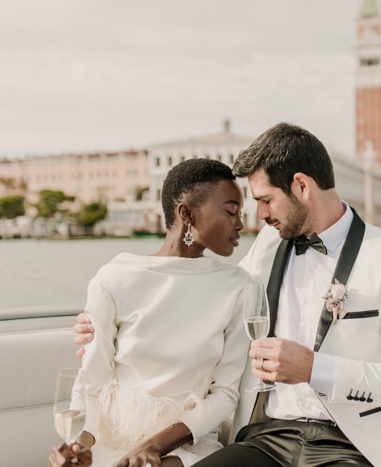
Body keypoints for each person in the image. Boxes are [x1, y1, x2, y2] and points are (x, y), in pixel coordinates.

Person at [75, 123, 381, 467]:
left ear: (301, 186)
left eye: (265, 200)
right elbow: (209, 293)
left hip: (352, 444)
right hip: (266, 437)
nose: (259, 215)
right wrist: (104, 327)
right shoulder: (269, 243)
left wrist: (316, 369)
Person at [51, 158, 255, 467]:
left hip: (185, 445)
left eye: (241, 212)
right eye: (231, 210)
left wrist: (154, 446)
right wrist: (79, 444)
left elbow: (225, 393)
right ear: (186, 213)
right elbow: (93, 381)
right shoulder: (115, 278)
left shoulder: (239, 287)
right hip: (110, 438)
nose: (240, 223)